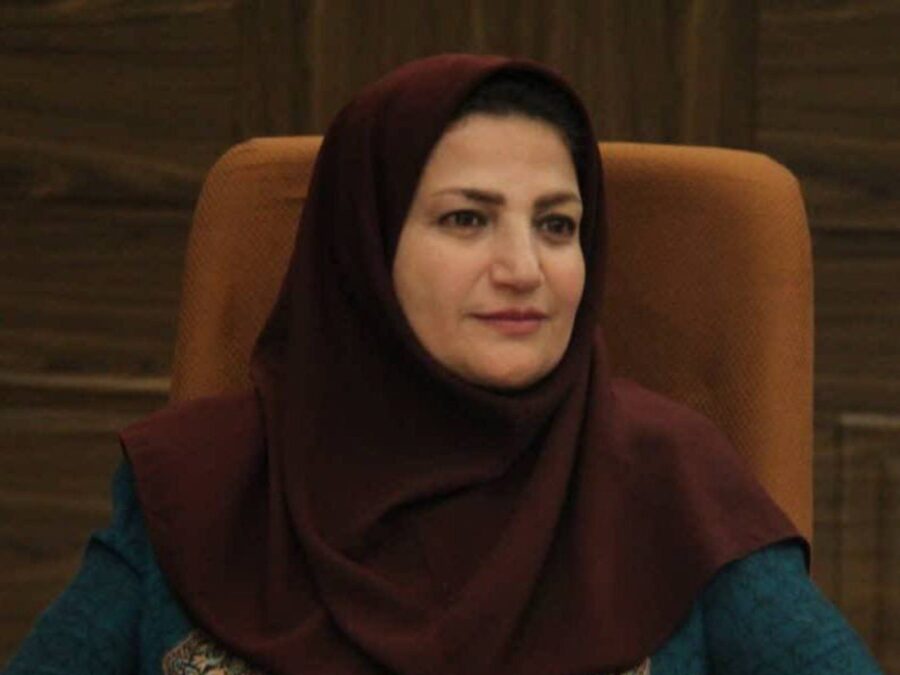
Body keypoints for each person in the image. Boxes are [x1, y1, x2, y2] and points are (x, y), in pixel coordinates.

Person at [5, 53, 883, 675]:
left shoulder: (669, 480)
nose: (525, 268)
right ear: (363, 245)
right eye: (467, 219)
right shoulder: (203, 483)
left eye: (558, 225)